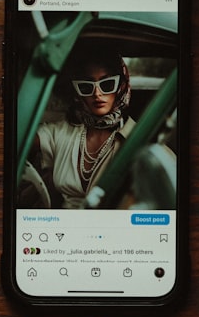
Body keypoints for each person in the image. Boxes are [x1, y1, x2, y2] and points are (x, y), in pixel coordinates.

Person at [30, 52, 136, 209]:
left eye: (107, 84)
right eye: (86, 86)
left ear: (121, 86)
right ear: (77, 92)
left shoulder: (138, 137)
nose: (97, 93)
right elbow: (20, 139)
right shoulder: (61, 131)